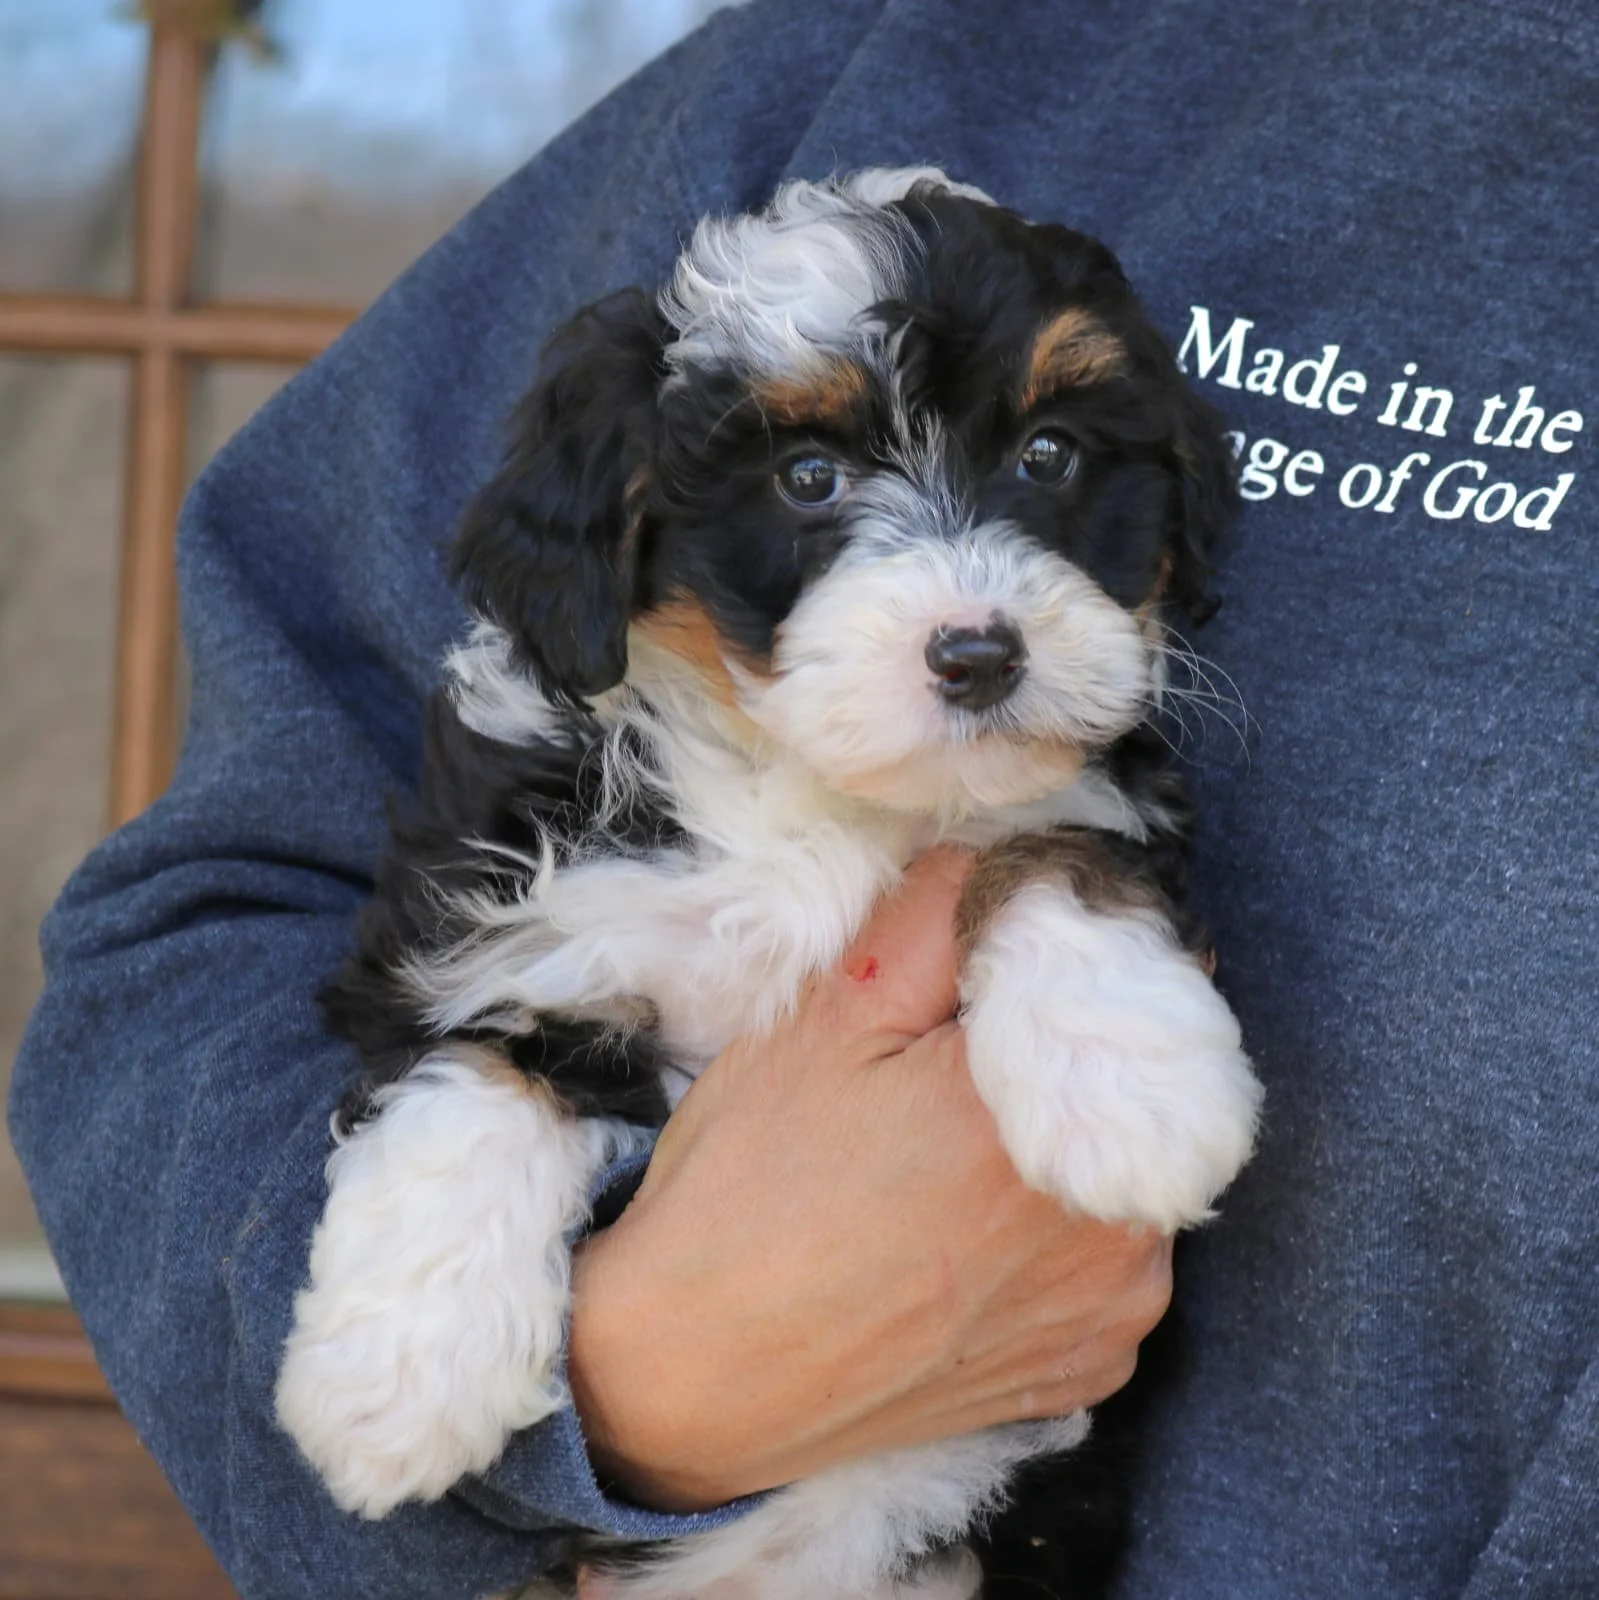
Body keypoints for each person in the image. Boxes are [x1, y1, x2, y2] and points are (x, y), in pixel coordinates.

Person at [10, 1, 1595, 1596]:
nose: (972, 611)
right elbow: (227, 939)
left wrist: (1061, 932)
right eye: (812, 483)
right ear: (617, 548)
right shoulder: (853, 57)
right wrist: (623, 1381)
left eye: (1048, 463)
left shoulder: (1064, 834)